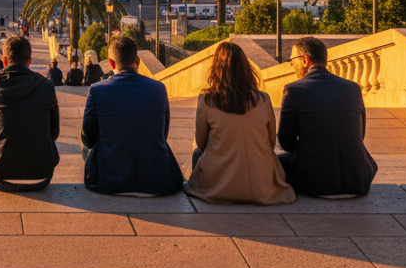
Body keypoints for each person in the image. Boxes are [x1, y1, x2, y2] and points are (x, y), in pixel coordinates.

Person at [185, 42, 294, 205]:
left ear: (216, 69)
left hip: (219, 186)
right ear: (246, 68)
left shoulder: (207, 100)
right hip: (262, 186)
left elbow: (201, 144)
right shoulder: (264, 99)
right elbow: (270, 144)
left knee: (196, 154)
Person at [80, 37, 185, 196]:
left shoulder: (96, 90)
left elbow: (88, 139)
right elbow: (162, 134)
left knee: (84, 139)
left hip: (109, 182)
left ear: (111, 62)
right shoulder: (159, 89)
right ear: (138, 60)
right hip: (156, 183)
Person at [278, 36, 378, 197]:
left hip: (315, 183)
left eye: (292, 61)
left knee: (275, 161)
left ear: (305, 60)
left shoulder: (294, 90)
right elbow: (360, 135)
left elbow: (287, 143)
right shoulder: (353, 88)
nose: (292, 66)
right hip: (357, 181)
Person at [0, 36, 60, 192]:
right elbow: (54, 133)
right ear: (30, 60)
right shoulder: (46, 86)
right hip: (42, 174)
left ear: (4, 60)